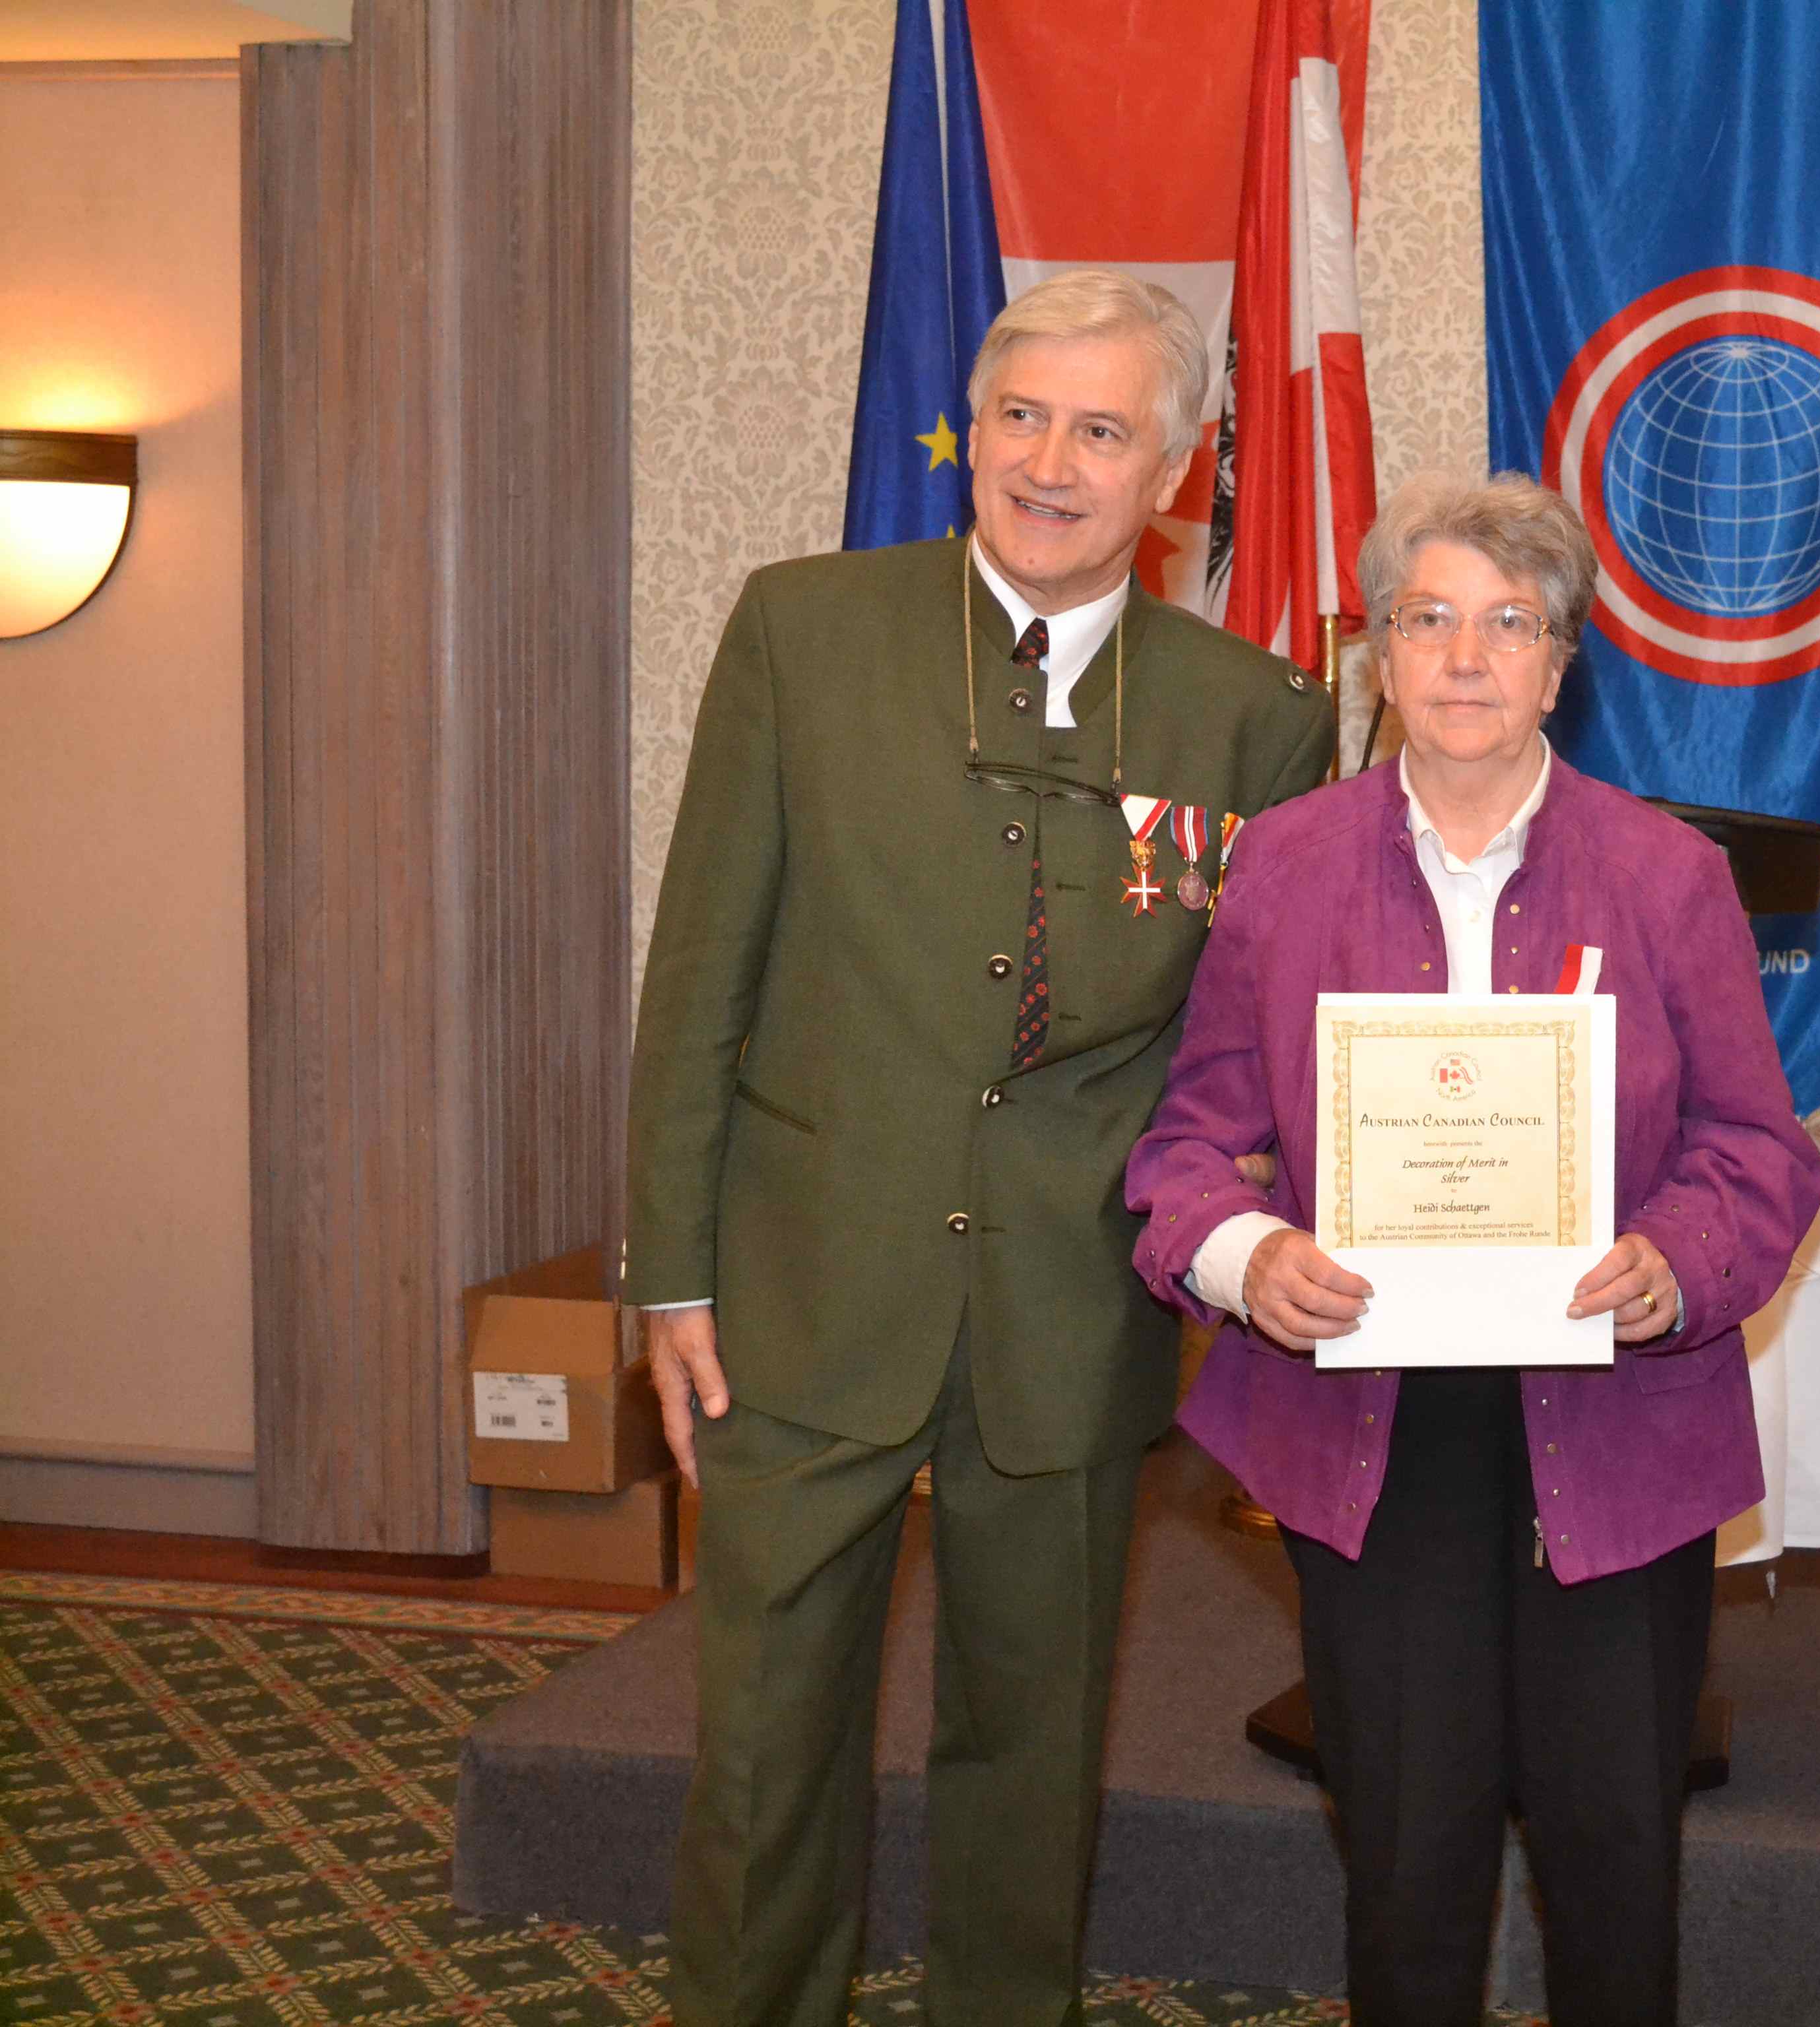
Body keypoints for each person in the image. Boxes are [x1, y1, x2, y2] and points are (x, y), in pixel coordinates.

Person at [624, 269, 1336, 2027]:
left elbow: (1235, 1061)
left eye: (1102, 430)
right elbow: (699, 969)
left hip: (1068, 1310)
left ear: (1170, 472)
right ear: (973, 432)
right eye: (1022, 416)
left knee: (1032, 1752)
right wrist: (671, 1271)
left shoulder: (1255, 718)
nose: (1051, 462)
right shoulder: (804, 632)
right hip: (804, 1285)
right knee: (769, 1740)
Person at [1124, 471, 1820, 2026]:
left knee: (1615, 1859)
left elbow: (1759, 1151)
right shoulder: (1286, 865)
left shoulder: (1667, 875)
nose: (1463, 658)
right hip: (1374, 1431)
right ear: (1382, 653)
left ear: (1560, 662)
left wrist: (1673, 1260)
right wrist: (1247, 1259)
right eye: (1429, 620)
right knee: (1406, 1858)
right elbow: (1185, 1146)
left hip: (1620, 1419)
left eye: (1508, 625)